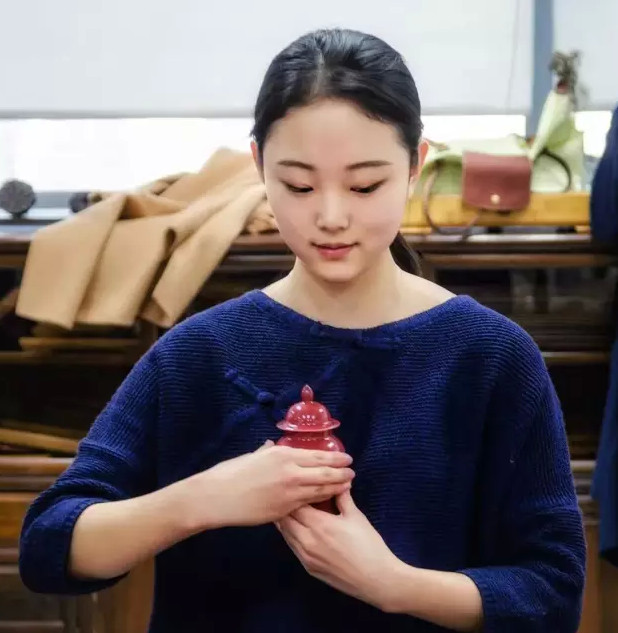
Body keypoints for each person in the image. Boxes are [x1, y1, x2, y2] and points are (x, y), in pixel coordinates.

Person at [19, 28, 586, 632]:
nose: (331, 217)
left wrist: (394, 585)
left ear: (415, 166)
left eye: (365, 186)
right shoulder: (197, 354)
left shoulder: (492, 357)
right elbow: (49, 547)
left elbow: (551, 595)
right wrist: (200, 500)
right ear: (259, 165)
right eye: (299, 186)